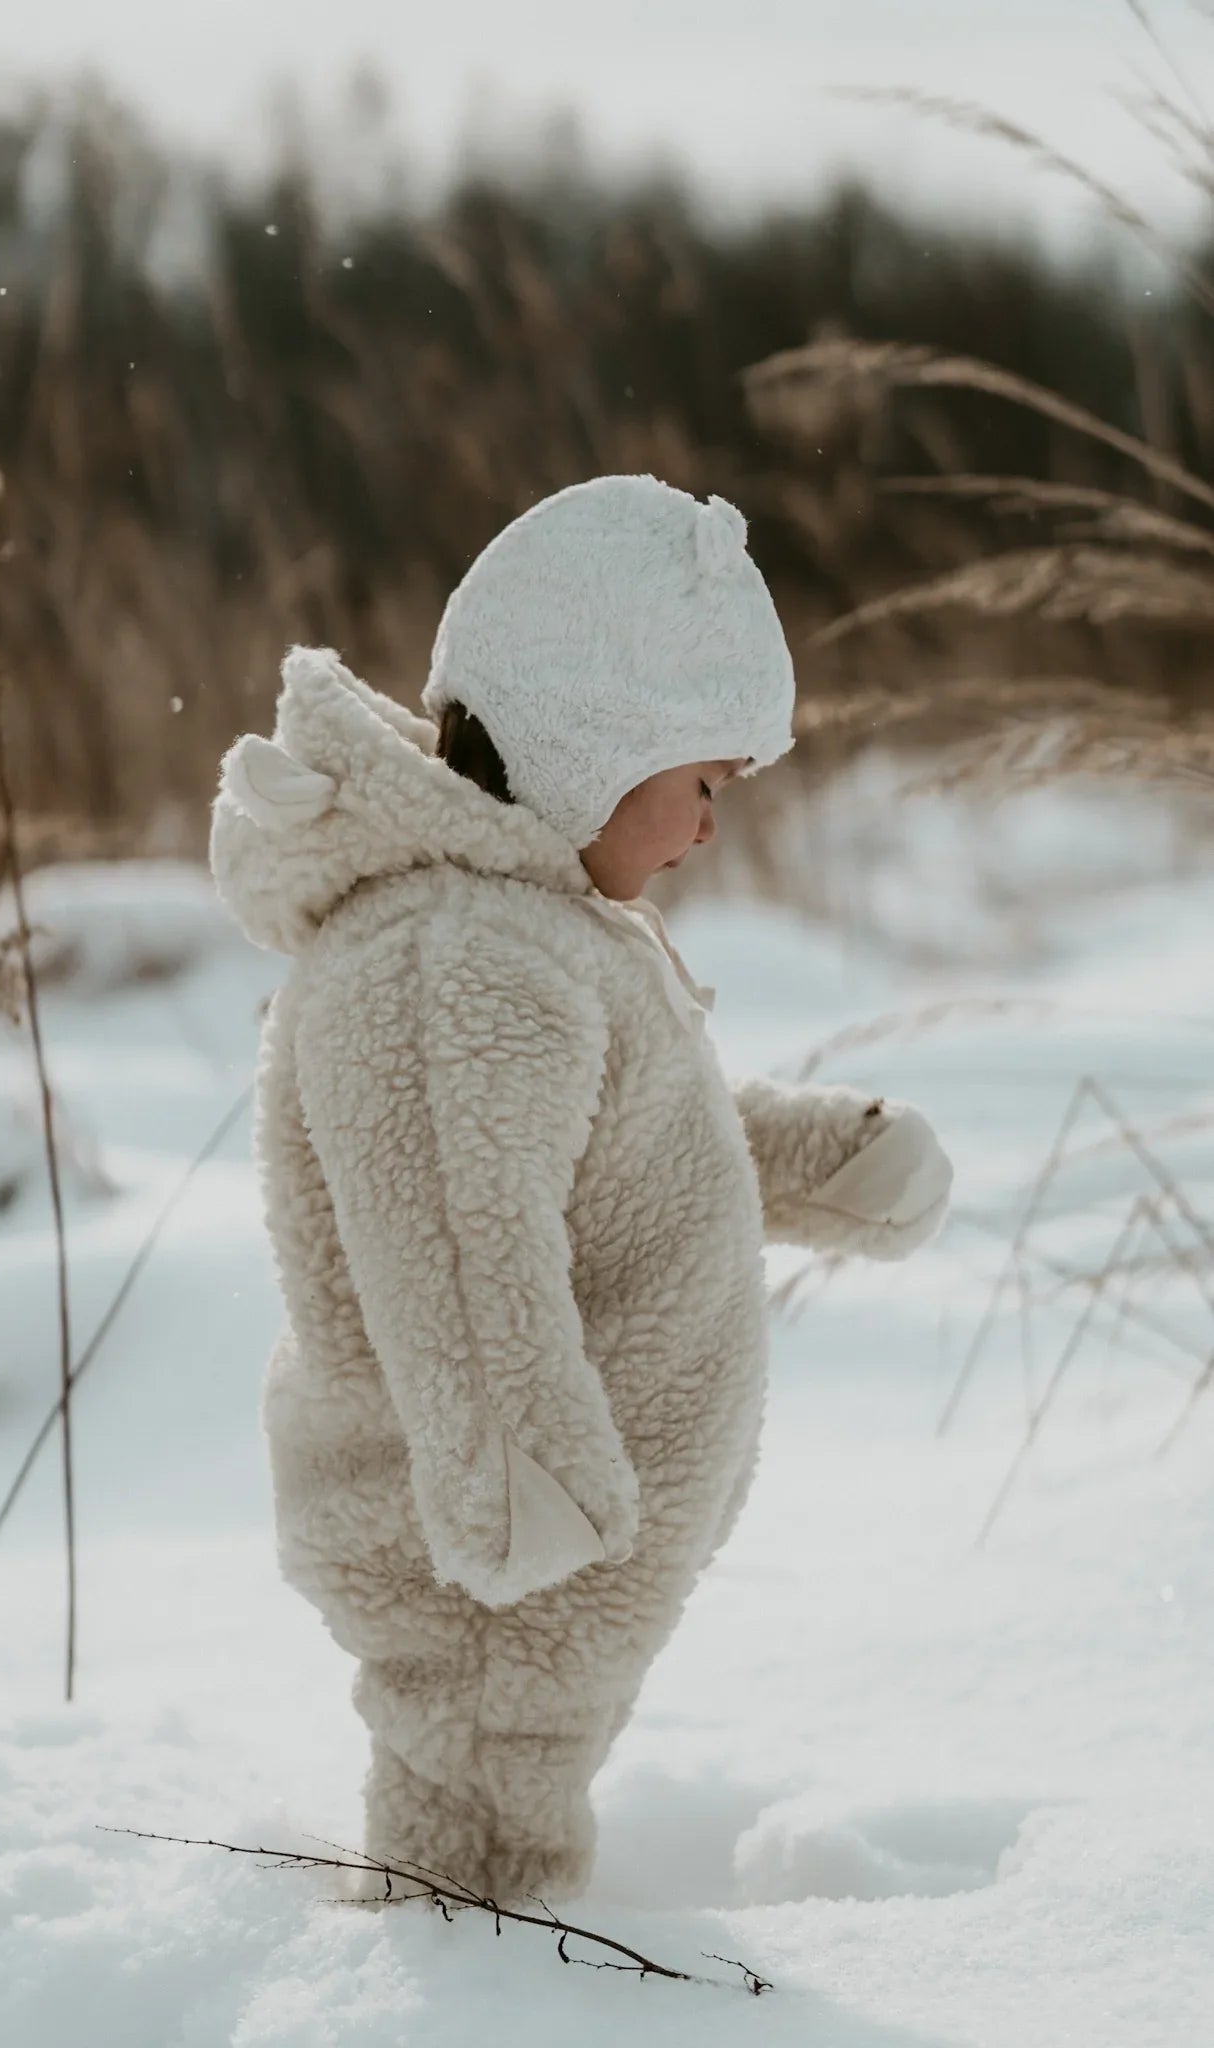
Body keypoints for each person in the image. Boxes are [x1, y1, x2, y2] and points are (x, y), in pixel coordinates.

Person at [208, 474, 952, 1908]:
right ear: (585, 748)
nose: (709, 828)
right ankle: (462, 1992)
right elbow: (454, 1233)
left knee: (519, 1785)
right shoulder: (450, 956)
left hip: (558, 1558)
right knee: (481, 1832)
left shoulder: (533, 930)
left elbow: (631, 1145)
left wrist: (825, 1163)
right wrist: (513, 1479)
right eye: (701, 785)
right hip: (490, 1559)